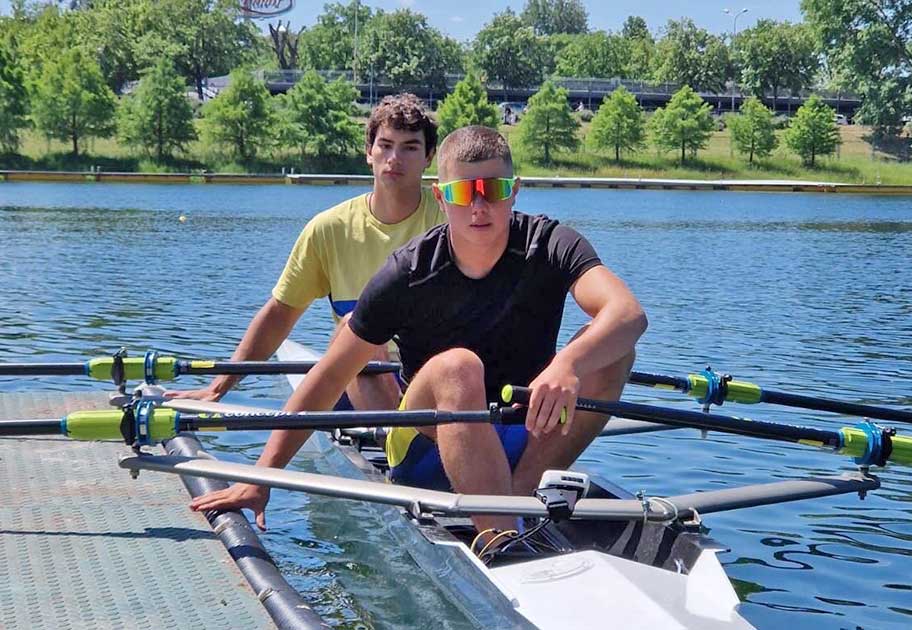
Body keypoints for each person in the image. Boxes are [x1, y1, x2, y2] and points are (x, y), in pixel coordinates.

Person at [190, 125, 647, 540]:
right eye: (464, 192)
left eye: (494, 189)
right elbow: (329, 377)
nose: (480, 206)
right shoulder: (407, 272)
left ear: (515, 191)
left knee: (612, 349)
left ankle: (517, 497)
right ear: (441, 198)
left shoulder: (550, 243)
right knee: (458, 366)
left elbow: (628, 313)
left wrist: (569, 364)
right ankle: (502, 538)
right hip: (425, 449)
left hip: (523, 434)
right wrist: (261, 478)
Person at [167, 93, 443, 418]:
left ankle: (405, 436)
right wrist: (217, 388)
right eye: (385, 145)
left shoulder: (449, 220)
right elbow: (279, 315)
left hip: (430, 379)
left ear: (429, 156)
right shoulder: (328, 229)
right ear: (369, 152)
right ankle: (397, 440)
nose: (395, 158)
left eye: (410, 148)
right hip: (359, 373)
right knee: (357, 330)